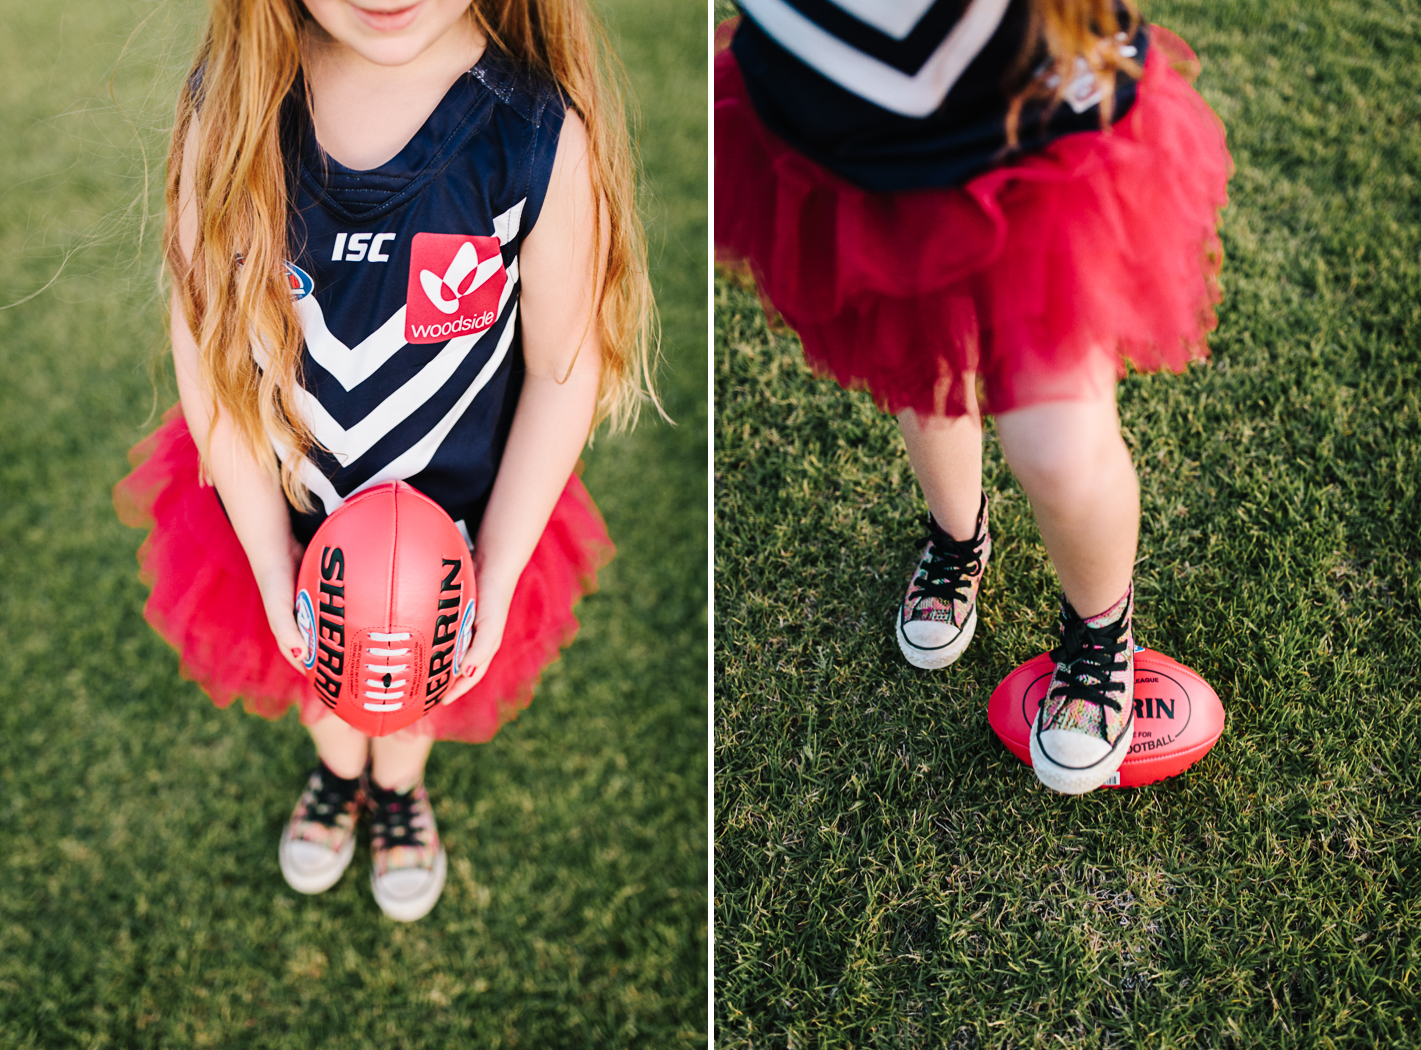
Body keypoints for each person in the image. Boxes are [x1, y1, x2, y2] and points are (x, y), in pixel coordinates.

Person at [114, 0, 656, 921]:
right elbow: (207, 345)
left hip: (462, 521)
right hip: (281, 502)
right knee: (322, 676)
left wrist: (498, 562)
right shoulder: (237, 105)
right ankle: (338, 778)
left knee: (412, 686)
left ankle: (398, 793)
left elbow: (563, 373)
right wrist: (268, 550)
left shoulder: (530, 134)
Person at [715, 0, 1230, 794]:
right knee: (925, 378)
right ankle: (958, 541)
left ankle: (1099, 630)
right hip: (852, 132)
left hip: (1031, 121)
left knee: (1055, 442)